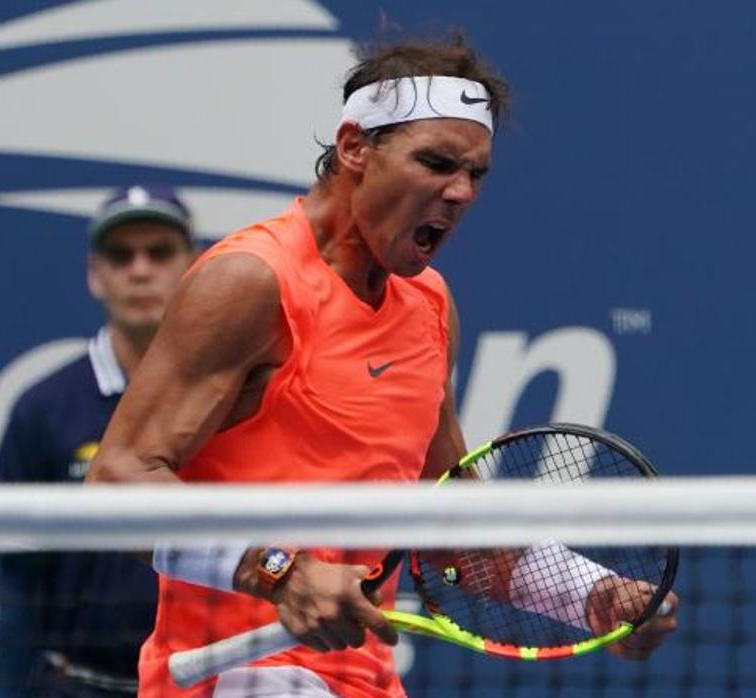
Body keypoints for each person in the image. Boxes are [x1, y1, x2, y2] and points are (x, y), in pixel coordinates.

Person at [87, 35, 680, 697]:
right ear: (354, 149)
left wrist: (591, 596)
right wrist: (276, 569)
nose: (458, 193)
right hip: (239, 680)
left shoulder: (427, 303)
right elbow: (115, 483)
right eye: (435, 163)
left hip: (360, 681)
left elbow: (447, 524)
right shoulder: (251, 283)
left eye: (475, 174)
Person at [0, 185, 201, 696]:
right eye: (120, 255)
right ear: (95, 274)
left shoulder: (234, 398)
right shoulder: (43, 409)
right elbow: (18, 574)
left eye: (159, 252)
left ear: (193, 267)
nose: (139, 270)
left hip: (207, 682)